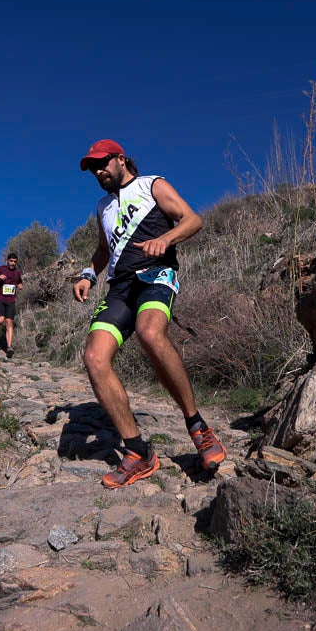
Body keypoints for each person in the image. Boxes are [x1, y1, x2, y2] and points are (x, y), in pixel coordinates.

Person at [72, 138, 226, 488]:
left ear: (120, 159)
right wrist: (86, 274)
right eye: (92, 168)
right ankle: (138, 452)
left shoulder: (151, 184)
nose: (98, 171)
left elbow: (192, 219)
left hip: (156, 275)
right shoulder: (102, 207)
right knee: (94, 357)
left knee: (150, 332)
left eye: (102, 163)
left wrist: (167, 239)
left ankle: (198, 427)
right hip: (120, 287)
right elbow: (102, 250)